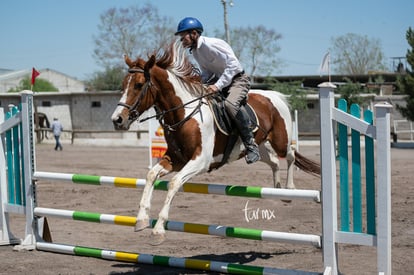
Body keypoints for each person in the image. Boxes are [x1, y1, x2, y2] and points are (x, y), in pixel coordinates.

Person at [175, 17, 260, 164]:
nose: (182, 41)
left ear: (194, 33)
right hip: (220, 81)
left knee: (230, 105)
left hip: (237, 80)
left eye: (183, 38)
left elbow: (233, 66)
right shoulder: (195, 52)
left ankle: (251, 145)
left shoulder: (212, 45)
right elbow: (208, 72)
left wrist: (217, 85)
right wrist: (201, 83)